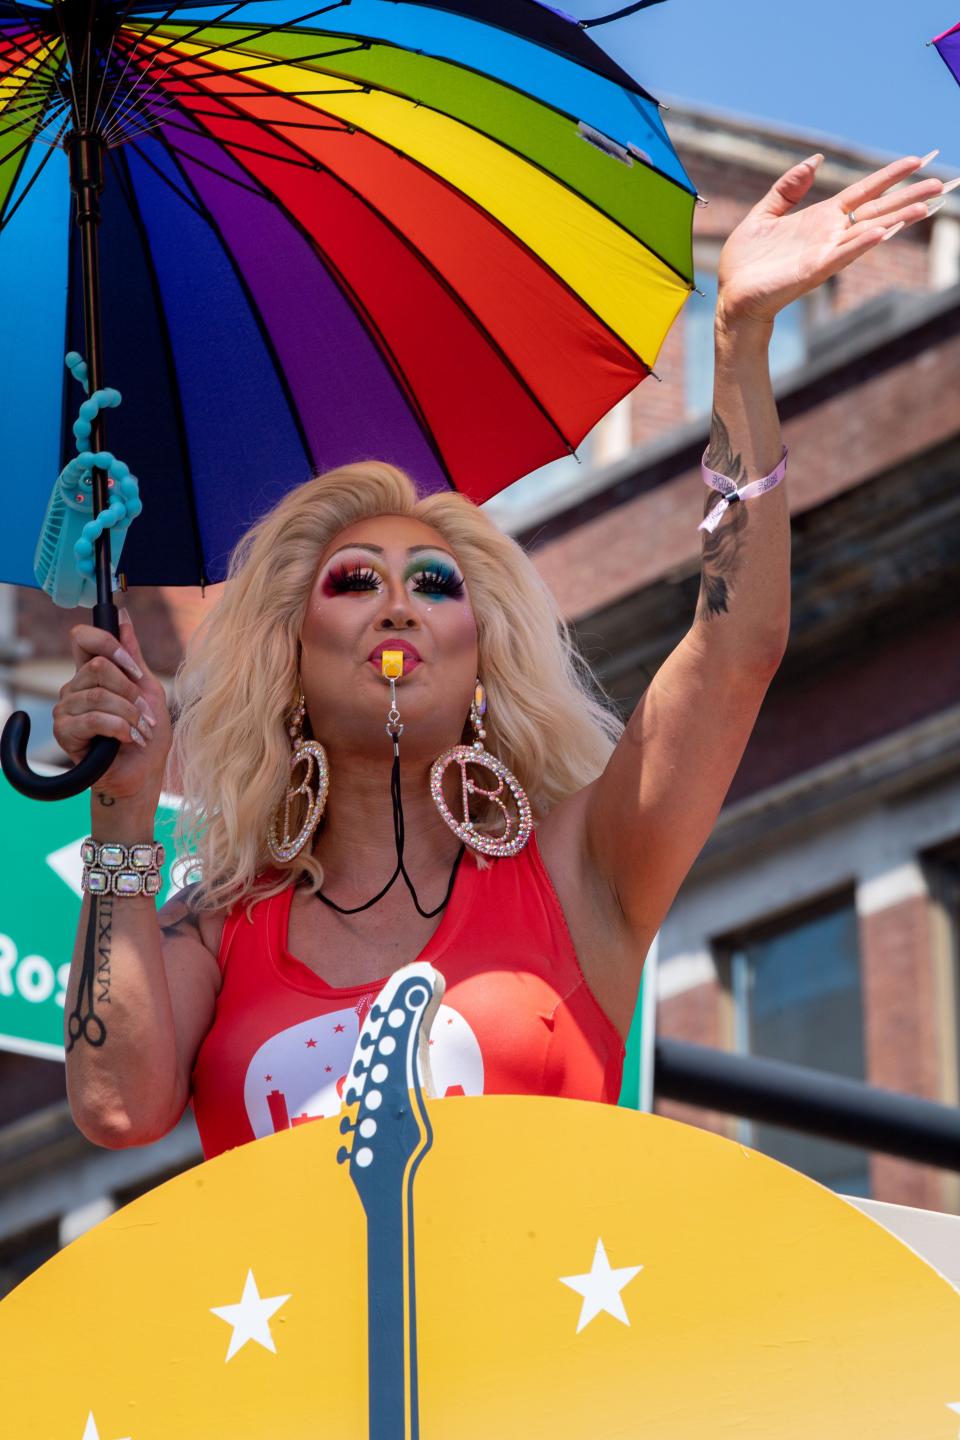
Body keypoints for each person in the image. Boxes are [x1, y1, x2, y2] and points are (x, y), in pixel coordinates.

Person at [56, 152, 946, 1159]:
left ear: (481, 662)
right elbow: (117, 1107)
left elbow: (737, 645)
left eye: (436, 585)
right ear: (292, 670)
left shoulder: (579, 872)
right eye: (354, 582)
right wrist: (122, 810)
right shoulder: (221, 929)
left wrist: (737, 342)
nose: (399, 604)